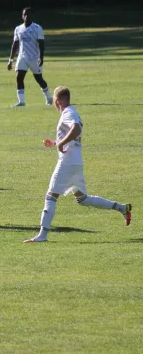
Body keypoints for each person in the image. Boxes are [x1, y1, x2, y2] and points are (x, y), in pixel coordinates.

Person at [24, 86, 132, 243]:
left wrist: (61, 143)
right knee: (83, 199)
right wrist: (55, 143)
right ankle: (121, 208)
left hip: (67, 162)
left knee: (51, 195)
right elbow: (73, 136)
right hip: (75, 161)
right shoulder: (71, 112)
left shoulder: (68, 113)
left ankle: (42, 235)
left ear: (57, 100)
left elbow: (76, 129)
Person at [7, 7, 53, 107]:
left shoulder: (37, 28)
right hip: (22, 57)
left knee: (39, 79)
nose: (26, 16)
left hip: (34, 57)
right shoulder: (18, 29)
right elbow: (15, 44)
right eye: (24, 14)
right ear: (22, 16)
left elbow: (41, 44)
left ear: (31, 16)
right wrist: (10, 60)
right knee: (19, 77)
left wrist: (41, 58)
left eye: (28, 14)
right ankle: (21, 102)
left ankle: (49, 98)